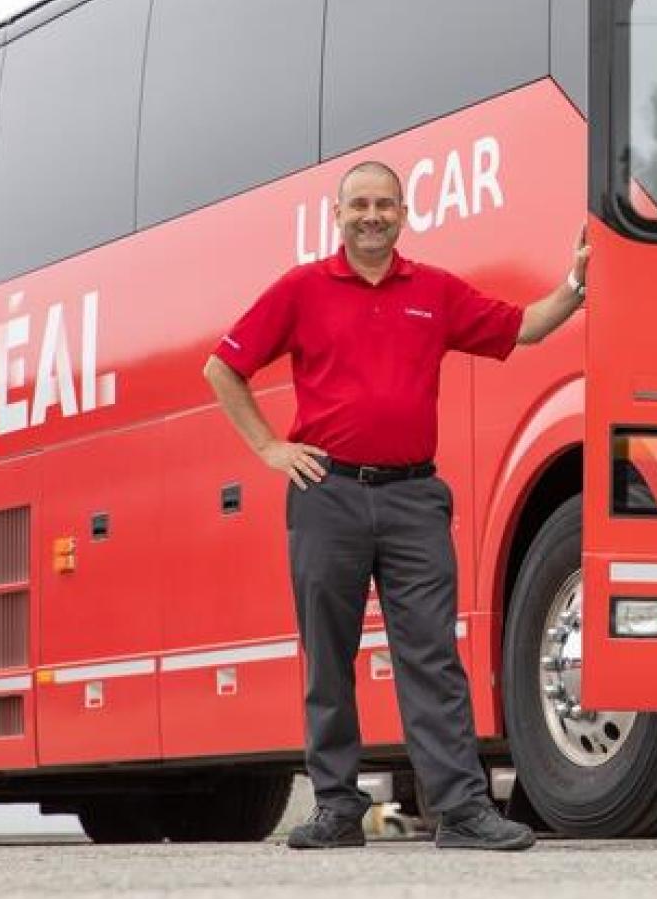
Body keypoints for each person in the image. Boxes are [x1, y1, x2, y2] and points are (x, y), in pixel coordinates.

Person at [203, 160, 588, 851]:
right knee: (329, 656)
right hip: (328, 495)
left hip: (414, 497)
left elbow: (524, 327)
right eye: (360, 205)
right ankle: (335, 811)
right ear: (339, 216)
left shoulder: (432, 291)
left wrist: (575, 285)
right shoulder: (301, 288)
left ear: (403, 213)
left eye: (385, 204)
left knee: (433, 656)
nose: (372, 215)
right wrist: (269, 449)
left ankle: (463, 812)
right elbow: (222, 366)